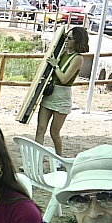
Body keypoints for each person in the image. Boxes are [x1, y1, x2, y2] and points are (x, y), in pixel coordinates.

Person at [33, 25, 87, 156]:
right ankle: (35, 158)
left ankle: (59, 158)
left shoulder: (77, 58)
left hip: (62, 95)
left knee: (54, 132)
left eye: (70, 38)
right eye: (66, 37)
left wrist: (55, 65)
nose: (66, 40)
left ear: (77, 41)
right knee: (40, 129)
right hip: (51, 93)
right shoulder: (63, 53)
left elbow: (64, 78)